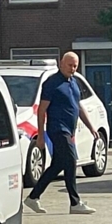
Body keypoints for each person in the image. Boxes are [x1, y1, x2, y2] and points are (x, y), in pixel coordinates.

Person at [24, 52, 98, 215]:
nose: (72, 69)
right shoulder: (52, 83)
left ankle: (32, 197)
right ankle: (75, 202)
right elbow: (42, 110)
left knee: (58, 165)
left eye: (75, 66)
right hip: (57, 129)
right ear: (61, 63)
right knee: (71, 160)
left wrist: (91, 127)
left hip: (69, 131)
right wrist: (41, 136)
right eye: (70, 65)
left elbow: (78, 107)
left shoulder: (73, 82)